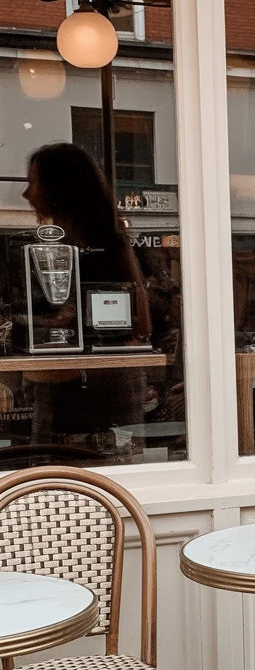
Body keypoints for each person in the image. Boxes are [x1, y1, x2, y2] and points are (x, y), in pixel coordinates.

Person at [21, 142, 152, 451]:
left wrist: (29, 323)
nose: (26, 194)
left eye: (33, 182)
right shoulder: (105, 242)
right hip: (86, 386)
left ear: (58, 189)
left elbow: (136, 324)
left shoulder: (96, 249)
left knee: (77, 472)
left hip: (94, 392)